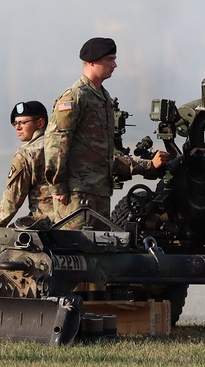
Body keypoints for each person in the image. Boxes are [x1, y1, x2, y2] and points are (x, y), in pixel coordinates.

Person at [44, 37, 169, 229]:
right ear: (92, 62)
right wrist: (58, 186)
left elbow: (105, 153)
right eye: (109, 59)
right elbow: (57, 143)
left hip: (100, 192)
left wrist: (149, 166)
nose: (115, 64)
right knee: (76, 251)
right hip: (77, 195)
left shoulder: (103, 97)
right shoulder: (75, 97)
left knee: (100, 252)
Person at [0, 100, 53, 292]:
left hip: (45, 227)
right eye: (15, 123)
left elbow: (11, 202)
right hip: (77, 223)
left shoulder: (27, 154)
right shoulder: (67, 147)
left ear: (40, 123)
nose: (18, 127)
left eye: (23, 122)